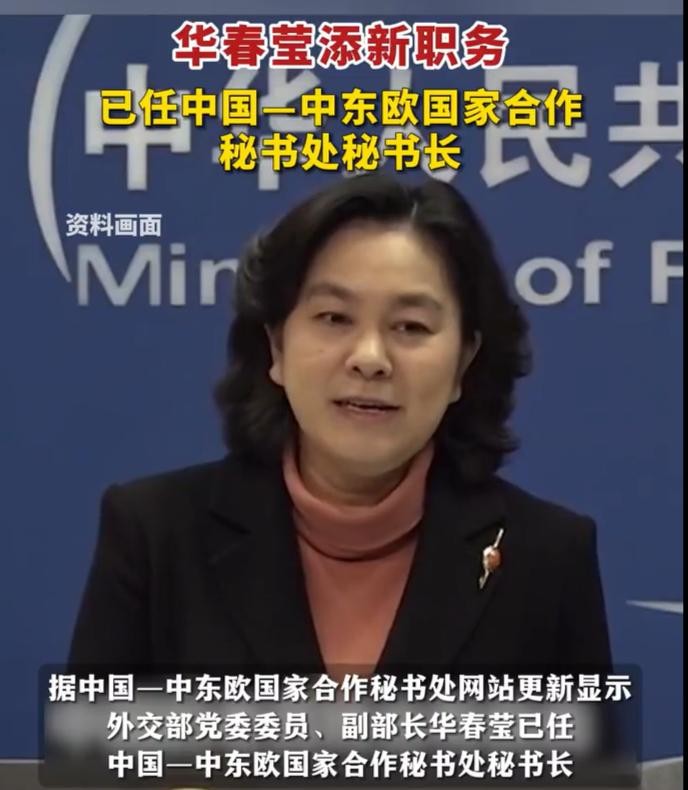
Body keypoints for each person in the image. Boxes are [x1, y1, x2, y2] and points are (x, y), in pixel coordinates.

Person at [68, 173, 612, 676]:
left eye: (411, 326)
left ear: (464, 363)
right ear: (276, 346)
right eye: (334, 318)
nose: (370, 358)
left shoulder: (547, 558)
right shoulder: (155, 537)